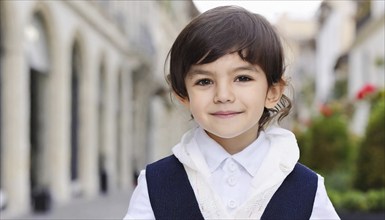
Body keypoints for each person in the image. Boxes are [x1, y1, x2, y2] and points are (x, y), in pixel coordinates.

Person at [124, 5, 340, 220]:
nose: (223, 95)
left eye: (242, 78)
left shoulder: (307, 189)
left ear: (272, 92)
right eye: (205, 81)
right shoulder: (156, 184)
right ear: (184, 96)